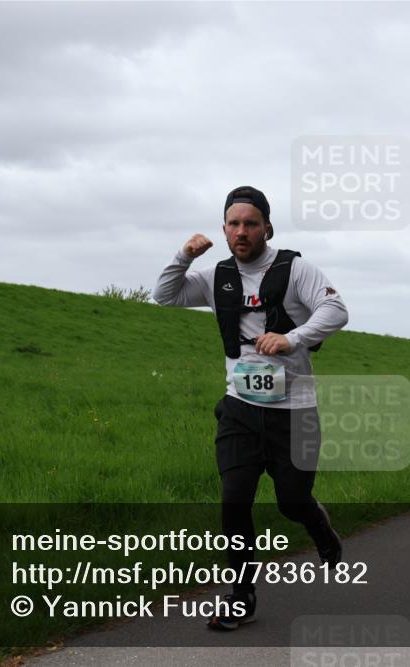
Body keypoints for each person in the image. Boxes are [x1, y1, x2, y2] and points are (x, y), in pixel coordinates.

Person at [153, 185, 349, 631]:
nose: (241, 231)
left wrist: (292, 338)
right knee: (234, 502)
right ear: (224, 229)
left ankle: (316, 522)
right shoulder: (216, 276)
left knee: (292, 502)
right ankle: (241, 597)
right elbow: (165, 295)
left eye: (251, 223)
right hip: (239, 407)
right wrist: (184, 255)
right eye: (234, 224)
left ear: (267, 228)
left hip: (294, 411)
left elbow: (336, 309)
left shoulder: (295, 269)